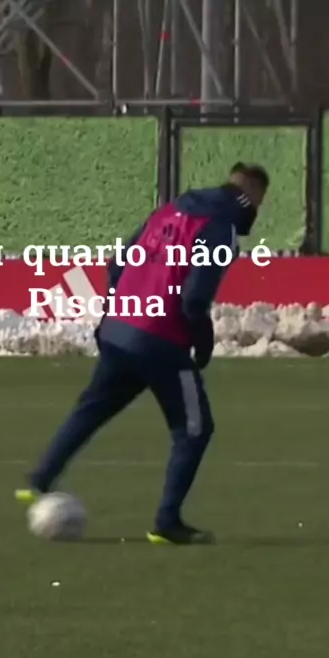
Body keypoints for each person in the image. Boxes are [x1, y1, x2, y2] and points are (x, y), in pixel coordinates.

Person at [16, 162, 269, 544]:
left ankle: (40, 477)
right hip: (161, 338)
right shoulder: (221, 225)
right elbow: (195, 296)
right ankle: (167, 523)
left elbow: (119, 263)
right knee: (194, 429)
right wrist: (202, 340)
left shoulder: (170, 211)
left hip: (120, 331)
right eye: (259, 203)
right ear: (250, 196)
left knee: (94, 406)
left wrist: (116, 312)